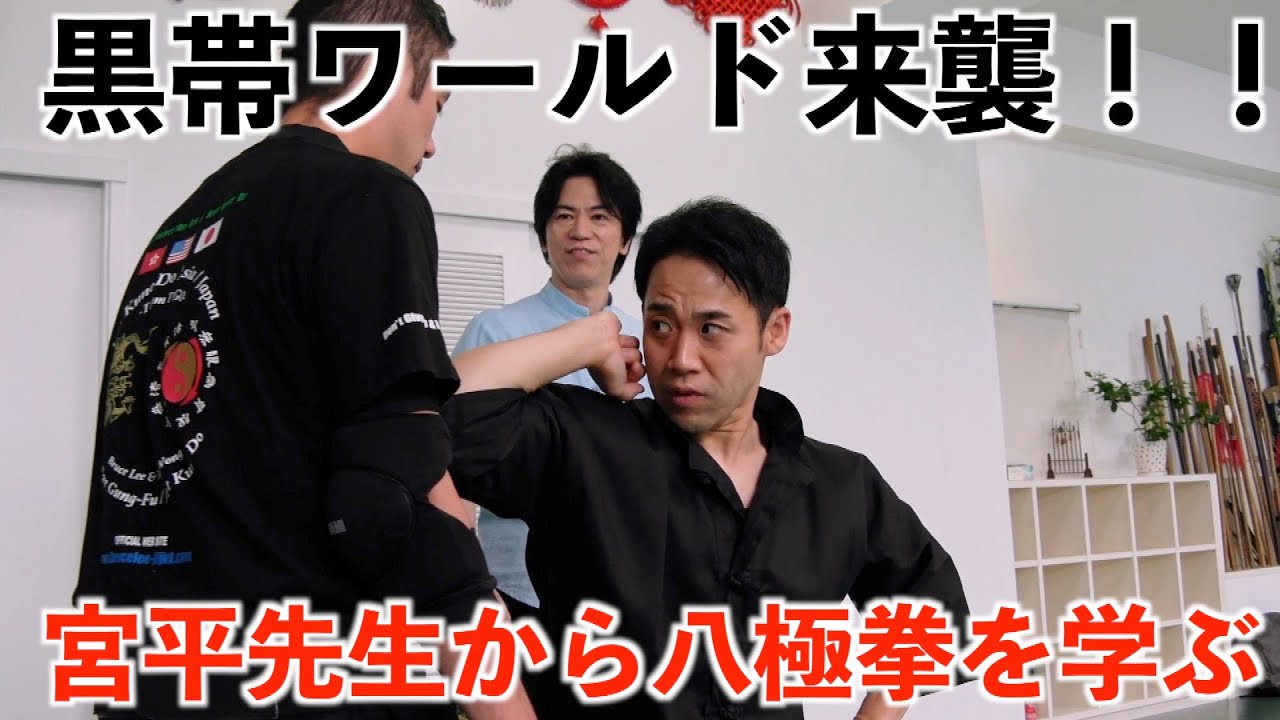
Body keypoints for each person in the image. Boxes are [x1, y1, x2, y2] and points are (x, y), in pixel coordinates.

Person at [74, 1, 534, 718]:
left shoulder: (184, 226)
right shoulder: (369, 197)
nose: (432, 144)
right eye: (437, 104)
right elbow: (401, 489)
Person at [446, 198, 970, 719]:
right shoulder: (586, 443)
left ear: (774, 331)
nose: (681, 359)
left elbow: (932, 608)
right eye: (661, 325)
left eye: (710, 329)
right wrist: (586, 337)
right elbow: (438, 416)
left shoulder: (839, 485)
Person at [452, 145, 649, 614]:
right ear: (543, 235)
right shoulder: (494, 332)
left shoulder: (651, 339)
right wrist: (470, 583)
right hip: (516, 588)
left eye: (600, 217)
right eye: (564, 216)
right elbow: (444, 465)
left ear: (625, 239)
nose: (580, 231)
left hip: (627, 587)